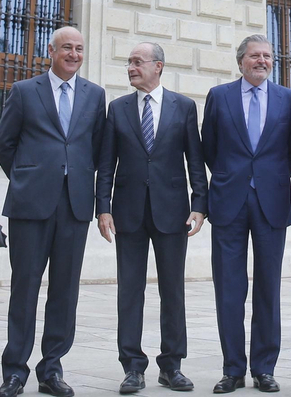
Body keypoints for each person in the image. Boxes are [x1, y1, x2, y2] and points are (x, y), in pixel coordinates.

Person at [0, 27, 106, 397]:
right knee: (24, 288)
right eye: (67, 48)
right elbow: (5, 144)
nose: (74, 54)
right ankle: (14, 371)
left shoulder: (95, 95)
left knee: (65, 290)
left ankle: (51, 369)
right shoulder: (24, 91)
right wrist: (28, 178)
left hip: (74, 204)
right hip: (30, 205)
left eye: (79, 48)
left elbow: (95, 149)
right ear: (51, 51)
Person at [96, 41, 207, 395]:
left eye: (137, 62)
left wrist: (200, 203)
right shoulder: (118, 108)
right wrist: (102, 207)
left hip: (172, 212)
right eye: (129, 62)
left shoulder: (183, 107)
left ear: (158, 66)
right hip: (127, 212)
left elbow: (195, 159)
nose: (131, 68)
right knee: (130, 291)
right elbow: (106, 164)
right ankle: (132, 366)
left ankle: (172, 365)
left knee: (172, 290)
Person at [202, 35, 291, 395]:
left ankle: (264, 368)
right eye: (255, 56)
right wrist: (232, 176)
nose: (262, 61)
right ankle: (232, 370)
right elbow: (209, 147)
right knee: (228, 288)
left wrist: (269, 178)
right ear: (241, 60)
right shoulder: (219, 96)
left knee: (268, 287)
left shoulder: (288, 99)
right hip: (228, 201)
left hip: (271, 202)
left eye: (268, 56)